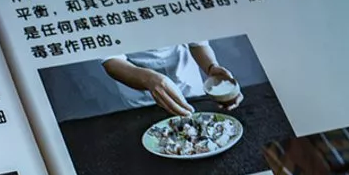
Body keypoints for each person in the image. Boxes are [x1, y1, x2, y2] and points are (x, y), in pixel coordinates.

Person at [100, 41, 244, 115]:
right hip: (142, 96)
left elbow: (197, 42)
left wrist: (212, 67)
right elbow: (111, 61)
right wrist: (149, 79)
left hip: (189, 85)